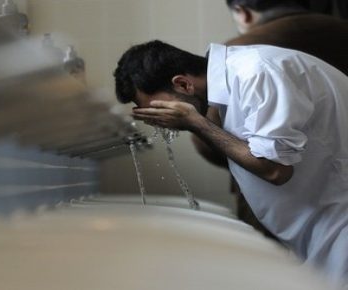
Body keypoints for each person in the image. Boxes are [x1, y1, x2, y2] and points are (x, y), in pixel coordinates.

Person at [113, 40, 348, 288]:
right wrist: (197, 122)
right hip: (322, 228)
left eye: (157, 108)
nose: (159, 119)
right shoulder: (227, 87)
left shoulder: (257, 72)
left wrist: (196, 123)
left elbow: (275, 169)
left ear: (183, 84)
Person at [192, 0, 348, 239]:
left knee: (278, 269)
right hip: (341, 185)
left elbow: (208, 142)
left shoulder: (240, 52)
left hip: (279, 193)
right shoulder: (341, 30)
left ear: (242, 13)